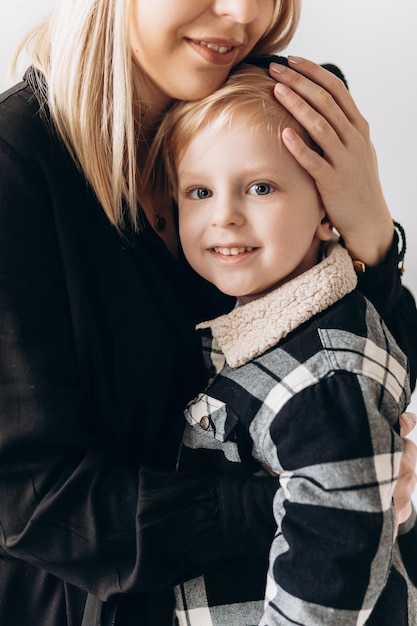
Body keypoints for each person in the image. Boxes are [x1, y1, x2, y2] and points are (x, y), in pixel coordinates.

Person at [0, 1, 416, 625]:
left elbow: (379, 364)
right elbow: (34, 506)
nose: (245, 11)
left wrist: (373, 238)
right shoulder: (18, 168)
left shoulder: (276, 98)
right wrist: (310, 501)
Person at [153, 61, 417, 625]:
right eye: (199, 191)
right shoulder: (253, 330)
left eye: (260, 187)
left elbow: (337, 565)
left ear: (327, 213)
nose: (223, 215)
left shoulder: (323, 375)